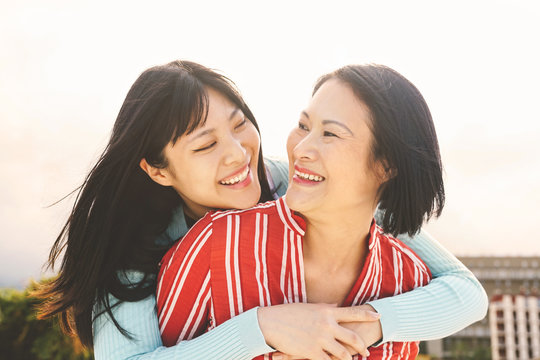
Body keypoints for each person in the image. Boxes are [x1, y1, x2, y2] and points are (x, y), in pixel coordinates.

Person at [34, 61, 487, 360]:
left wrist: (364, 326)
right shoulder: (137, 249)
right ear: (158, 170)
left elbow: (465, 292)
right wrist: (263, 328)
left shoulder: (298, 182)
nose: (237, 155)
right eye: (206, 145)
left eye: (239, 125)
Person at [156, 64, 476, 359]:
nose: (300, 148)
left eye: (330, 133)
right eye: (302, 126)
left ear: (386, 165)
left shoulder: (410, 283)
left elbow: (469, 293)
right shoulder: (215, 243)